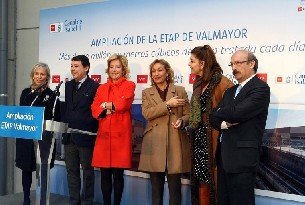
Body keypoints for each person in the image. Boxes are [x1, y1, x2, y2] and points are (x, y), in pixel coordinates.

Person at [210, 50, 270, 205]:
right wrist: (223, 122)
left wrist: (220, 112)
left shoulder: (260, 88)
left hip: (242, 159)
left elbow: (237, 114)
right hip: (223, 157)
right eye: (232, 64)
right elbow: (213, 118)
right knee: (223, 201)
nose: (234, 67)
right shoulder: (230, 91)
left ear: (251, 63)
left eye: (238, 63)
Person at [138, 59, 191, 205]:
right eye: (153, 71)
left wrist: (182, 121)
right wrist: (168, 104)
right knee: (156, 190)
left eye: (160, 70)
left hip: (175, 142)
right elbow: (147, 113)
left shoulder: (179, 90)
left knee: (175, 189)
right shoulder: (146, 93)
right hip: (155, 143)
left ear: (167, 72)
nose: (156, 74)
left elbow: (189, 114)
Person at [187, 45, 234, 205]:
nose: (189, 64)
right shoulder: (198, 83)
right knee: (201, 180)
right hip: (199, 139)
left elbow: (231, 112)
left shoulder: (222, 82)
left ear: (203, 63)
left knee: (214, 182)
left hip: (214, 141)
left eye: (192, 61)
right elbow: (196, 113)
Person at [91, 54, 135, 205]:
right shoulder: (101, 88)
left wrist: (106, 105)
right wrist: (106, 107)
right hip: (104, 137)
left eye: (118, 67)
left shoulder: (129, 85)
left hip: (121, 137)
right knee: (104, 175)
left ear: (123, 69)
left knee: (117, 175)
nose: (114, 70)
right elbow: (94, 108)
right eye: (111, 67)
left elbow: (123, 104)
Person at [15, 62, 60, 205]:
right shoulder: (25, 93)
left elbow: (55, 117)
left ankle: (41, 199)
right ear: (32, 75)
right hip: (26, 138)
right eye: (36, 74)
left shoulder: (52, 95)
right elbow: (21, 114)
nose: (39, 77)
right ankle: (26, 198)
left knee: (42, 171)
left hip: (43, 139)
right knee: (26, 169)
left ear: (47, 77)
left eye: (42, 74)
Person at [62, 55, 99, 205]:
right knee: (71, 171)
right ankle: (74, 201)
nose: (72, 69)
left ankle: (87, 201)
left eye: (76, 66)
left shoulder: (95, 86)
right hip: (69, 137)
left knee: (88, 173)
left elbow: (94, 113)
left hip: (86, 137)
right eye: (71, 66)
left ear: (86, 68)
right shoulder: (68, 85)